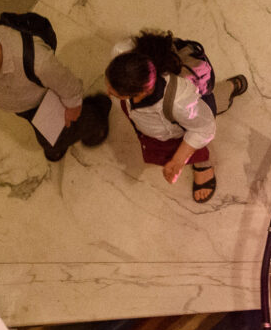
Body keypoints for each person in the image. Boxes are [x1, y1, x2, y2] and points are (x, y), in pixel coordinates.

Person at [0, 14, 109, 162]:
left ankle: (96, 117)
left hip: (41, 103)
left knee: (55, 138)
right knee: (47, 134)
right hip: (21, 104)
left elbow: (69, 85)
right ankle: (57, 141)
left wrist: (74, 107)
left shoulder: (38, 63)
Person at [105, 32, 247, 204]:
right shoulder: (125, 58)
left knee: (208, 111)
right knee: (195, 114)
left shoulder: (179, 103)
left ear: (143, 91)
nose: (108, 92)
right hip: (170, 117)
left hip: (182, 122)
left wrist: (179, 160)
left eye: (115, 93)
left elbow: (204, 128)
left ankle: (229, 89)